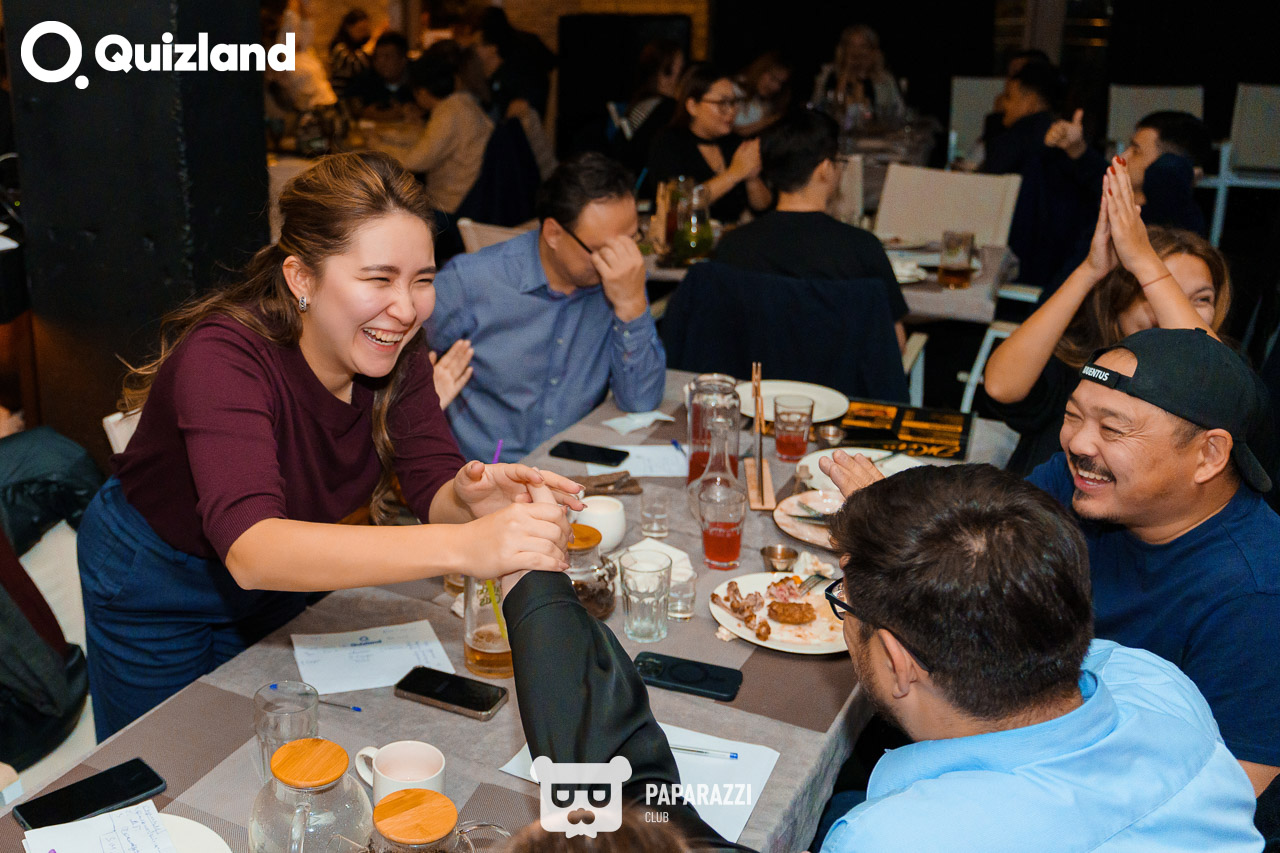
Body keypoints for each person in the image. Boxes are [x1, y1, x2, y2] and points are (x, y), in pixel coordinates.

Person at [498, 463, 1264, 851]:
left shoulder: (896, 839)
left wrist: (529, 580)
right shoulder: (1160, 684)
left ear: (898, 659)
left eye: (845, 602)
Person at [77, 152, 582, 739]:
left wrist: (471, 498)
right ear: (301, 278)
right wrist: (465, 544)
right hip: (154, 579)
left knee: (275, 747)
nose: (406, 308)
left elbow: (430, 483)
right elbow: (253, 549)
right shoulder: (223, 357)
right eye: (379, 279)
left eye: (422, 280)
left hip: (283, 575)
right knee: (166, 759)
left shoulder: (396, 350)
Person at [826, 325, 1280, 798]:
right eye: (1072, 416)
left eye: (1112, 429)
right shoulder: (1082, 483)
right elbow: (977, 565)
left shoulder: (1258, 598)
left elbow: (1229, 797)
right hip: (995, 734)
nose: (1078, 444)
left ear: (1209, 454)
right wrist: (897, 531)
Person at [983, 158, 1230, 474]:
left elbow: (1210, 383)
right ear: (1118, 302)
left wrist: (1145, 262)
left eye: (1201, 299)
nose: (1173, 308)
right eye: (1157, 291)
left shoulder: (1226, 379)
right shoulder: (1079, 367)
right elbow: (1001, 386)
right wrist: (1090, 270)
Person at [424, 153, 665, 463]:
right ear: (553, 234)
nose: (620, 258)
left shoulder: (622, 278)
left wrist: (632, 306)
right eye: (603, 249)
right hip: (482, 471)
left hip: (571, 468)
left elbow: (641, 400)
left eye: (631, 240)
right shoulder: (472, 282)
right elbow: (400, 366)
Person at [712, 108, 908, 351]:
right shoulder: (861, 247)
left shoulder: (733, 245)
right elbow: (895, 344)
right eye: (839, 162)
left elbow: (719, 333)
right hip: (838, 376)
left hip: (758, 374)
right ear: (825, 168)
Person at [979, 61, 1094, 287]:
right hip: (1055, 262)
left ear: (1030, 102)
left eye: (1009, 97)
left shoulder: (1020, 139)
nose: (1002, 103)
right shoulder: (1058, 135)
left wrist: (994, 124)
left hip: (1022, 263)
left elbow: (987, 187)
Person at [1045, 109, 1212, 236]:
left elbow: (1166, 180)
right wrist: (1076, 147)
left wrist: (1180, 173)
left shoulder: (1176, 222)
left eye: (1136, 151)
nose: (1122, 157)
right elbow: (1097, 174)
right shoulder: (1118, 199)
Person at [378, 41, 493, 216]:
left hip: (453, 206)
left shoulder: (450, 112)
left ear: (422, 92)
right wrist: (387, 139)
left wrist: (377, 148)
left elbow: (416, 162)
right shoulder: (463, 101)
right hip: (471, 197)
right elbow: (428, 141)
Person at [646, 64, 771, 223]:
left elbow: (763, 207)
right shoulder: (669, 143)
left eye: (734, 102)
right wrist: (734, 174)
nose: (731, 111)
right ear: (692, 106)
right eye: (722, 103)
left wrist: (752, 178)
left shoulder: (734, 143)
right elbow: (678, 206)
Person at [612, 40, 685, 174]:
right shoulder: (663, 108)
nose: (679, 79)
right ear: (661, 74)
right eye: (674, 71)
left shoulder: (640, 102)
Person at [811, 25, 904, 124]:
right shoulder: (828, 75)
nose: (856, 52)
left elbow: (899, 112)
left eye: (863, 46)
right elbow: (817, 108)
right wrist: (845, 72)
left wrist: (863, 76)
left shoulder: (884, 79)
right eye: (851, 45)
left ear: (873, 51)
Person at [347, 31, 418, 121]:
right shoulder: (367, 79)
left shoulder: (418, 78)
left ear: (403, 60)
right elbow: (353, 106)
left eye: (387, 57)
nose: (381, 62)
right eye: (377, 57)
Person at [733, 51, 792, 137]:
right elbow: (736, 131)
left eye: (780, 83)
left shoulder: (768, 101)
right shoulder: (735, 88)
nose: (776, 87)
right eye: (773, 78)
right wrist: (772, 119)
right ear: (760, 70)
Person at [327, 9, 377, 99]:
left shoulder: (360, 46)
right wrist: (370, 45)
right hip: (342, 96)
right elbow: (355, 66)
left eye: (365, 30)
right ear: (348, 28)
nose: (363, 34)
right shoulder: (339, 47)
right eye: (360, 30)